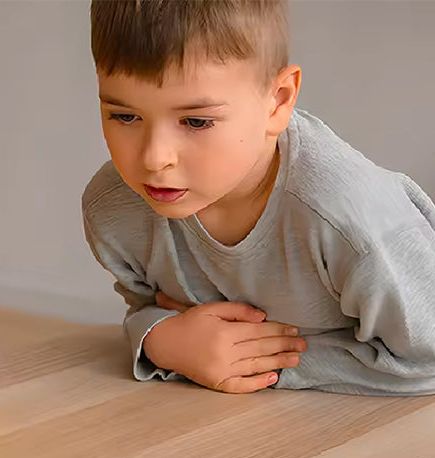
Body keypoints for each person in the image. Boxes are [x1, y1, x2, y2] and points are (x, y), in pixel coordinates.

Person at [83, 0, 435, 395]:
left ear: (279, 101)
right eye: (125, 116)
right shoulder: (114, 209)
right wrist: (160, 341)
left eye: (196, 121)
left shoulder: (346, 217)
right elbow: (148, 308)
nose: (154, 158)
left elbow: (429, 354)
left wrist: (258, 365)